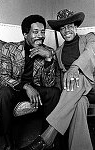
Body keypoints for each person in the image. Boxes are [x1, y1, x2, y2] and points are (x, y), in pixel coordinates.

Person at [20, 9, 95, 150]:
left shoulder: (89, 38)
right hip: (75, 94)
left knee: (75, 77)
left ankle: (47, 137)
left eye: (70, 26)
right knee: (79, 104)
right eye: (62, 27)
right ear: (59, 31)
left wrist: (74, 68)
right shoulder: (58, 52)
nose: (66, 30)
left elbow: (91, 52)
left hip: (92, 85)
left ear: (76, 26)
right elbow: (59, 78)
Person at [0, 15, 61, 150]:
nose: (40, 36)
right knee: (3, 93)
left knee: (54, 92)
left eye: (43, 32)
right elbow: (2, 76)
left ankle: (43, 140)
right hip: (15, 89)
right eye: (35, 32)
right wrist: (26, 86)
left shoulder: (47, 51)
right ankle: (9, 143)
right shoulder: (8, 49)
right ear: (25, 34)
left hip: (36, 89)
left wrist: (48, 58)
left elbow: (49, 84)